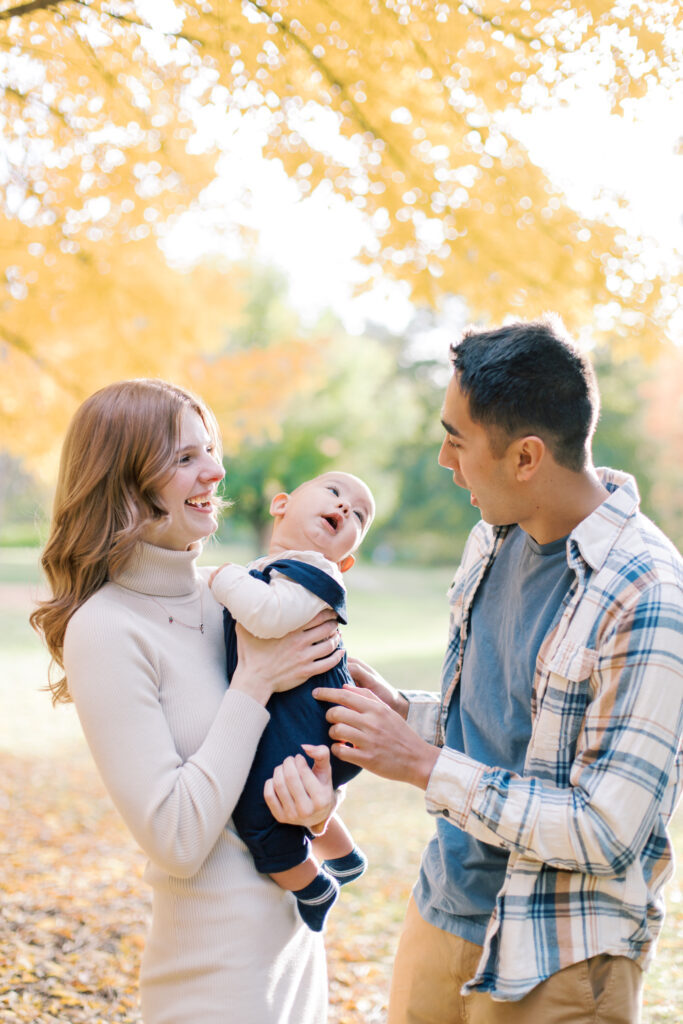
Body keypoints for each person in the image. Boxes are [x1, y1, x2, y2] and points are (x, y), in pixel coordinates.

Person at [315, 316, 683, 1024]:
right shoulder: (491, 535)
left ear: (525, 457)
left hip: (559, 957)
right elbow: (508, 725)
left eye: (457, 440)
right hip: (444, 910)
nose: (445, 463)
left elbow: (603, 831)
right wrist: (407, 717)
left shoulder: (648, 594)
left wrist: (422, 765)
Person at [30, 379, 343, 1024]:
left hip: (297, 955)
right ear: (123, 484)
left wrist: (316, 809)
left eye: (211, 449)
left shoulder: (233, 595)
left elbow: (284, 749)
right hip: (215, 982)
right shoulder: (107, 627)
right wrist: (253, 684)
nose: (217, 470)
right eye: (184, 458)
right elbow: (176, 838)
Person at [210, 470, 375, 932]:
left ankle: (312, 885)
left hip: (310, 722)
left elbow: (267, 617)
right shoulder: (280, 568)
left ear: (345, 563)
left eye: (358, 514)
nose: (345, 507)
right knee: (292, 791)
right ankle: (343, 854)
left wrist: (220, 577)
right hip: (313, 722)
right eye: (334, 492)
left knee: (259, 813)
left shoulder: (313, 572)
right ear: (280, 504)